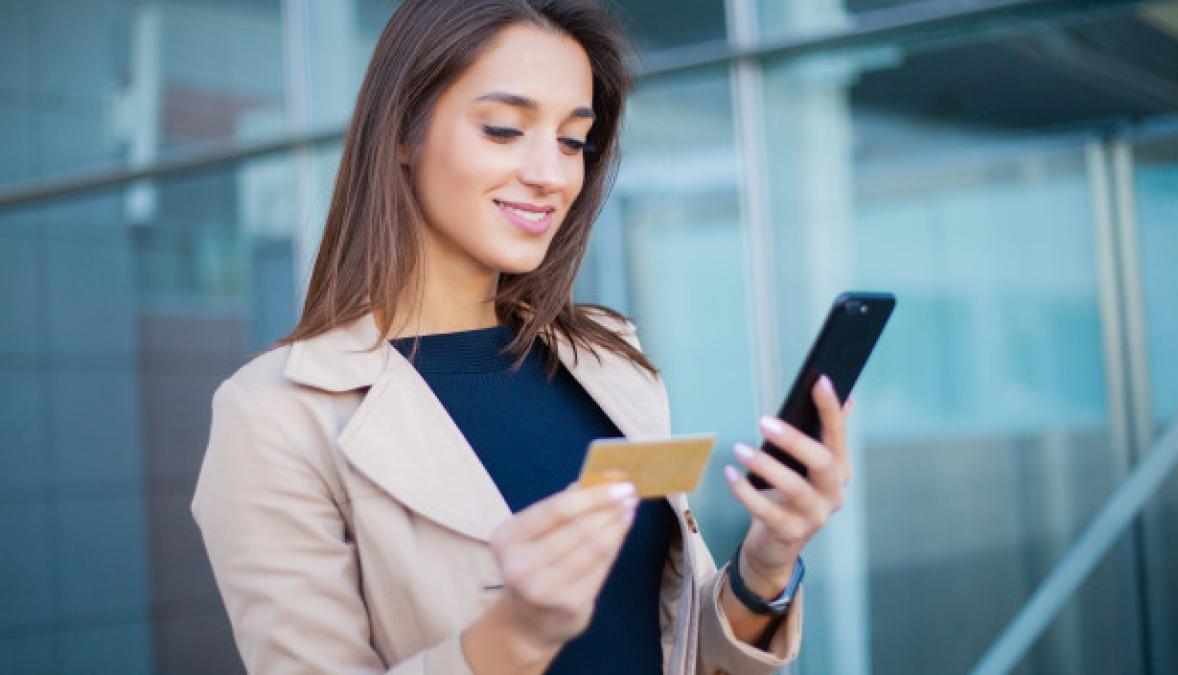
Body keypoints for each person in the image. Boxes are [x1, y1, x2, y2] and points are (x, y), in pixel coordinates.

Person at [191, 1, 855, 673]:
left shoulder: (608, 362)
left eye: (573, 141)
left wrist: (765, 563)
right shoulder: (275, 415)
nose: (552, 173)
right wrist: (513, 634)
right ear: (401, 133)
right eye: (505, 129)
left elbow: (677, 653)